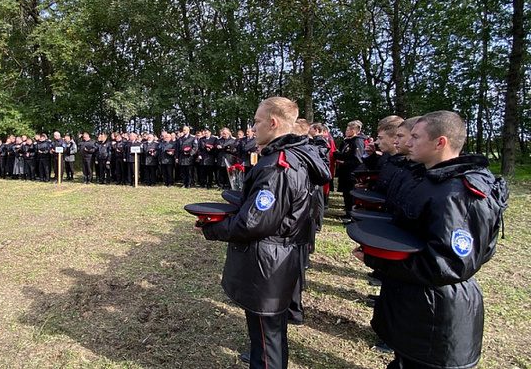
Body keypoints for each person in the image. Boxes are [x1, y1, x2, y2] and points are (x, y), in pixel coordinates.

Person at [352, 110, 508, 369]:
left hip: (437, 319)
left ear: (441, 142)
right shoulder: (431, 180)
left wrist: (379, 260)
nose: (407, 143)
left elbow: (450, 264)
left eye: (415, 137)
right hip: (416, 306)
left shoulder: (458, 195)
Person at [194, 97, 330, 369]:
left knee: (267, 339)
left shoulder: (278, 166)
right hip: (275, 257)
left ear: (273, 122)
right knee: (269, 334)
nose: (253, 127)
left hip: (268, 262)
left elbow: (255, 222)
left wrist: (211, 227)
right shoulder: (289, 157)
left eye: (256, 121)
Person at [334, 120, 367, 221]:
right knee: (346, 194)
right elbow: (347, 155)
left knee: (351, 195)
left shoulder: (357, 142)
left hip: (352, 173)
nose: (346, 131)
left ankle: (352, 215)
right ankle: (348, 213)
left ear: (353, 131)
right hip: (346, 173)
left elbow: (357, 159)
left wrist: (343, 163)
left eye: (348, 130)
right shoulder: (349, 142)